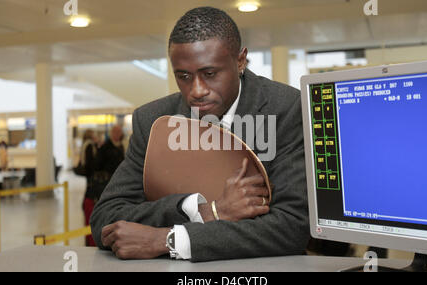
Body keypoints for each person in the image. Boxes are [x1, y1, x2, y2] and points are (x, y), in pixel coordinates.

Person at [90, 6, 309, 262]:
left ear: (240, 61)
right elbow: (105, 220)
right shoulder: (153, 120)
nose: (196, 90)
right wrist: (203, 210)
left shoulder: (286, 108)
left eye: (210, 74)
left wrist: (167, 240)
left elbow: (292, 227)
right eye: (183, 76)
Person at [79, 129, 98, 246]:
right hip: (92, 182)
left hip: (88, 182)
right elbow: (91, 165)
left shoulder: (84, 145)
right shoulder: (90, 146)